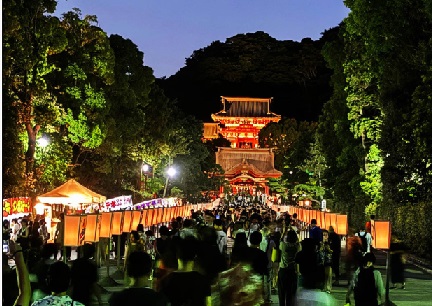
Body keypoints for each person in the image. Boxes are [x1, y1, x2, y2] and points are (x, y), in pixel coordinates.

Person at [160, 237, 211, 306]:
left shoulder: (167, 280)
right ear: (195, 256)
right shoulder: (203, 280)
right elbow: (208, 303)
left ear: (177, 255)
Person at [278, 229, 300, 306]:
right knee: (291, 292)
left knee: (281, 292)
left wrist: (283, 233)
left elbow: (280, 240)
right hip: (292, 271)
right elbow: (298, 241)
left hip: (283, 270)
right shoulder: (297, 246)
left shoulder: (283, 245)